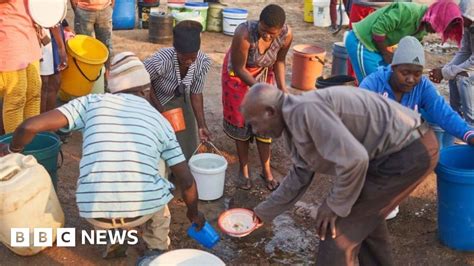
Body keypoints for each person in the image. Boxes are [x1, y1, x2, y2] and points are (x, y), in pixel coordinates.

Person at [0, 52, 205, 261]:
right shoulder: (160, 121)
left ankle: (112, 237)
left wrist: (12, 150)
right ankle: (157, 248)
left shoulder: (90, 103)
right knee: (159, 166)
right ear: (146, 89)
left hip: (94, 211)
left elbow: (29, 126)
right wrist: (194, 213)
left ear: (111, 85)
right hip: (141, 211)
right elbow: (186, 180)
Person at [242, 83, 443, 265]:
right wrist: (260, 214)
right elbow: (299, 175)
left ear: (269, 111)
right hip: (397, 153)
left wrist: (334, 205)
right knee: (366, 223)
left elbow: (355, 160)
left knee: (336, 231)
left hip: (408, 152)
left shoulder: (306, 111)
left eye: (253, 123)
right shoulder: (293, 119)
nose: (254, 131)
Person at [360, 36, 474, 219]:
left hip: (397, 146)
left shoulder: (422, 87)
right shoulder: (372, 85)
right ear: (393, 67)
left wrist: (469, 135)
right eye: (405, 72)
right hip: (371, 144)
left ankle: (389, 195)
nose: (411, 79)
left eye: (417, 73)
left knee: (425, 149)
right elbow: (357, 123)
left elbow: (443, 113)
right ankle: (365, 190)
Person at [222, 4, 293, 191]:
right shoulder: (244, 33)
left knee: (266, 123)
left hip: (262, 74)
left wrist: (282, 89)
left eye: (272, 33)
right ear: (258, 22)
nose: (267, 36)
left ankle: (266, 171)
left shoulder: (286, 35)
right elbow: (238, 68)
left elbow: (279, 61)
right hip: (238, 77)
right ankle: (244, 170)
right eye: (264, 30)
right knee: (241, 124)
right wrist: (260, 88)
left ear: (280, 30)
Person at [345, 0, 464, 84]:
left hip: (376, 47)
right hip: (361, 41)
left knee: (387, 80)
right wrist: (386, 53)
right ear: (434, 18)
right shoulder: (407, 11)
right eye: (437, 27)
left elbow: (410, 48)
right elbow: (378, 30)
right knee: (372, 83)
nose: (435, 32)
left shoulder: (422, 28)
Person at [144, 20, 212, 162]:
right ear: (176, 50)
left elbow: (196, 93)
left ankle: (182, 171)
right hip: (156, 99)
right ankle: (164, 172)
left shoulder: (202, 62)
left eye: (192, 57)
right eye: (184, 57)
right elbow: (143, 82)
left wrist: (201, 124)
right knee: (162, 139)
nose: (189, 62)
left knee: (186, 139)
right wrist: (159, 110)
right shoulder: (161, 60)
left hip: (181, 98)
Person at [0, 0, 42, 134]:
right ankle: (14, 149)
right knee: (16, 95)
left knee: (34, 92)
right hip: (9, 35)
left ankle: (32, 141)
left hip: (29, 32)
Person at [429, 0, 474, 127]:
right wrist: (447, 69)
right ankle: (457, 122)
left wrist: (446, 72)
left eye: (463, 17)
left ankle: (471, 127)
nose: (460, 21)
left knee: (464, 79)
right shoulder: (468, 25)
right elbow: (465, 51)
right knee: (454, 74)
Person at [71, 0, 114, 67]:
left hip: (105, 9)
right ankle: (89, 75)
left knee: (106, 46)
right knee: (84, 47)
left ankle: (107, 74)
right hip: (83, 10)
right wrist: (75, 7)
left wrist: (111, 5)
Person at [40, 23, 68, 113]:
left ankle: (45, 120)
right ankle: (42, 122)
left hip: (51, 34)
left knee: (51, 83)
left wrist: (65, 25)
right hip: (44, 35)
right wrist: (61, 48)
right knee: (46, 84)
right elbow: (50, 17)